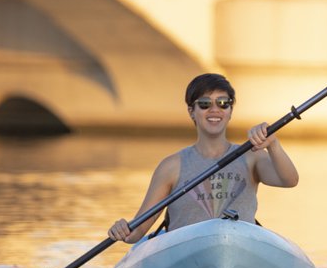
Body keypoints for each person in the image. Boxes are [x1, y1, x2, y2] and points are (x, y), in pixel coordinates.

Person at [108, 73, 299, 243]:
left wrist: (273, 145)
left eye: (223, 103)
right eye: (205, 104)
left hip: (239, 247)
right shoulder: (172, 166)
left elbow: (289, 180)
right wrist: (123, 230)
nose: (215, 110)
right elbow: (137, 231)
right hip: (183, 253)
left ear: (230, 111)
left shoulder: (252, 157)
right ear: (192, 111)